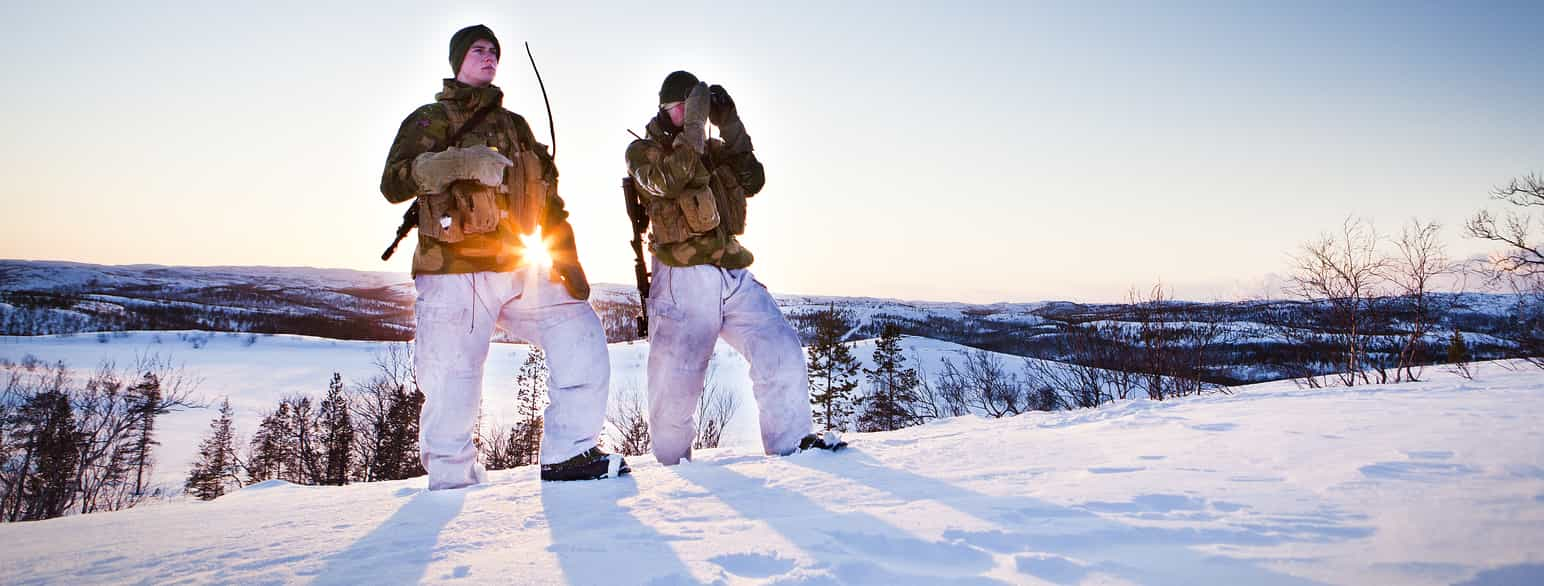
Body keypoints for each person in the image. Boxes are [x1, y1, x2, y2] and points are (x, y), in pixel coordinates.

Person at [380, 25, 626, 487]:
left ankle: (570, 454)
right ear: (458, 60)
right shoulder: (430, 119)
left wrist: (566, 254)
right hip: (455, 271)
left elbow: (548, 193)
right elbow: (393, 183)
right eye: (479, 49)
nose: (489, 55)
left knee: (580, 332)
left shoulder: (516, 126)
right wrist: (455, 163)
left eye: (495, 50)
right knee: (454, 381)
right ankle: (451, 483)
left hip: (519, 267)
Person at [625, 70, 842, 465]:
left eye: (697, 107)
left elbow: (752, 177)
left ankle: (793, 447)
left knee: (780, 349)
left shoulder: (713, 149)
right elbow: (669, 182)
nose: (694, 114)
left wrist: (731, 123)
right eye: (686, 107)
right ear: (667, 109)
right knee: (676, 384)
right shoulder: (644, 152)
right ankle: (671, 470)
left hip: (731, 272)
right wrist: (694, 125)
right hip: (681, 277)